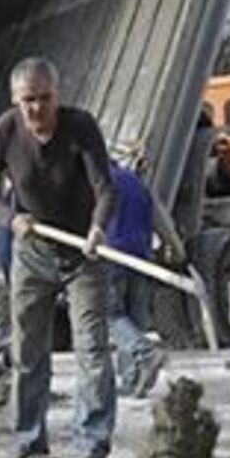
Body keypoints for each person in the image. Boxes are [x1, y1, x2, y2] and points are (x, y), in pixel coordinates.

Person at [0, 57, 118, 458]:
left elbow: (105, 188)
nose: (37, 108)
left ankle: (92, 440)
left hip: (82, 253)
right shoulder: (6, 130)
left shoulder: (80, 127)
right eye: (28, 100)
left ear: (58, 95)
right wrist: (11, 218)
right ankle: (28, 438)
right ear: (16, 100)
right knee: (28, 350)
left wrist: (98, 228)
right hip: (32, 253)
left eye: (45, 98)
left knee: (92, 348)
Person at [103, 162, 167, 398]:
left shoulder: (98, 180)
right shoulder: (135, 181)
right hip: (141, 255)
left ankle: (145, 353)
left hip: (111, 254)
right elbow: (157, 215)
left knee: (109, 314)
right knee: (134, 318)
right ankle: (132, 380)